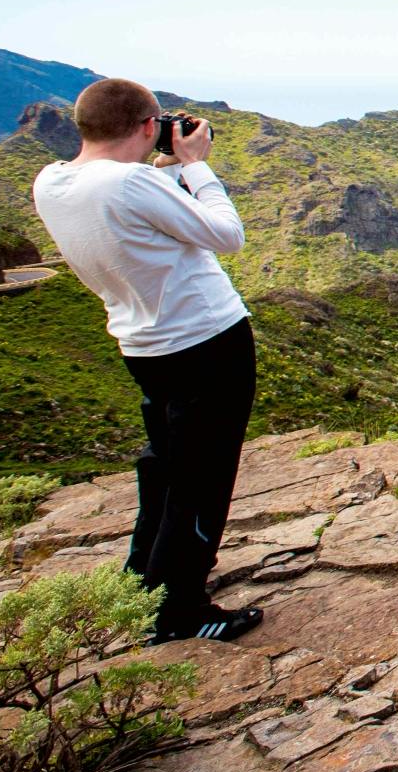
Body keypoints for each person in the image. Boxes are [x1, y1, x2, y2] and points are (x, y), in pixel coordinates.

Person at [31, 78, 263, 644]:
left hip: (143, 347)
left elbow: (127, 208)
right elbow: (227, 235)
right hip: (207, 343)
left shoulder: (54, 181)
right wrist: (197, 166)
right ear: (145, 125)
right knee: (203, 480)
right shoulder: (132, 182)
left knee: (164, 468)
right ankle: (182, 607)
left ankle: (144, 580)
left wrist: (161, 165)